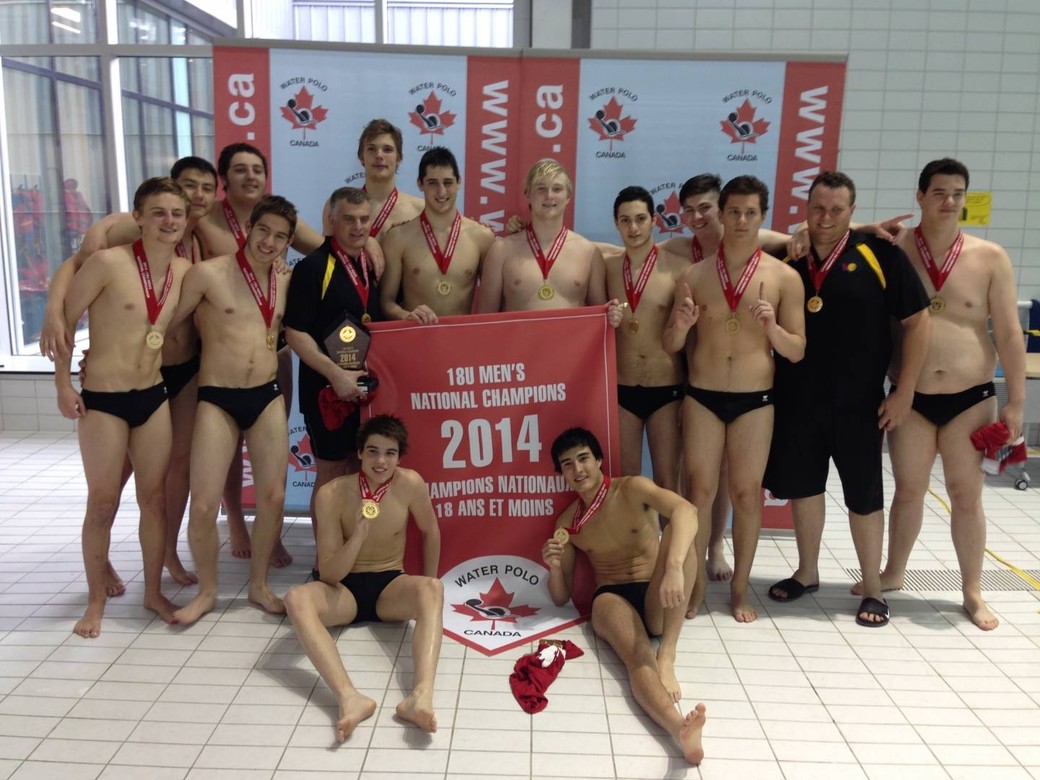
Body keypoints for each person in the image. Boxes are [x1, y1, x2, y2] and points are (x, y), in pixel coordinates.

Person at [41, 156, 219, 585]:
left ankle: (163, 564)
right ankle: (99, 568)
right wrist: (53, 318)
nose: (194, 197)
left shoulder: (198, 251)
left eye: (204, 188)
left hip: (170, 376)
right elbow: (74, 269)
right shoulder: (120, 242)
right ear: (142, 214)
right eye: (187, 186)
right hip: (113, 385)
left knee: (167, 479)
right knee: (109, 488)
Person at [764, 171, 931, 627]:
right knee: (805, 488)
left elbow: (918, 322)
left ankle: (873, 587)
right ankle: (807, 572)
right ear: (805, 208)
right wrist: (798, 233)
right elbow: (744, 236)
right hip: (797, 397)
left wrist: (904, 390)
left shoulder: (880, 254)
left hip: (859, 402)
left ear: (852, 212)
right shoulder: (790, 256)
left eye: (837, 211)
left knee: (864, 494)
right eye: (818, 209)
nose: (826, 218)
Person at [864, 158, 1024, 631]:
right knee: (908, 490)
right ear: (920, 197)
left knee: (966, 494)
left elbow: (1009, 333)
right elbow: (823, 231)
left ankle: (972, 589)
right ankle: (893, 572)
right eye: (939, 192)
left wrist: (1016, 401)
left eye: (958, 193)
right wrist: (865, 227)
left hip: (970, 396)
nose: (949, 201)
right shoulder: (892, 248)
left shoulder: (989, 257)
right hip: (910, 395)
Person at [54, 177, 193, 637]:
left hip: (152, 396)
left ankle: (152, 591)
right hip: (103, 400)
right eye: (158, 212)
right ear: (138, 217)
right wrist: (62, 385)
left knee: (154, 500)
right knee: (102, 501)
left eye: (176, 213)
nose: (168, 221)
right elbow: (64, 320)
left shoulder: (184, 270)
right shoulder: (108, 263)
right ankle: (95, 601)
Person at [662, 176, 805, 622]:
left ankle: (740, 590)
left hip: (754, 400)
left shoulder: (783, 277)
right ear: (721, 215)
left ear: (762, 217)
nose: (741, 220)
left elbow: (797, 350)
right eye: (734, 212)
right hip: (702, 397)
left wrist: (772, 329)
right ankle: (696, 585)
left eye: (750, 213)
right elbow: (671, 344)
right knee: (699, 493)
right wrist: (681, 326)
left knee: (746, 495)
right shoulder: (694, 275)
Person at [168, 195, 297, 625]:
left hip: (266, 395)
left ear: (288, 243)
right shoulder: (208, 274)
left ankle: (259, 585)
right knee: (205, 504)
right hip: (217, 397)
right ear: (248, 228)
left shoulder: (285, 280)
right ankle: (207, 591)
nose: (269, 242)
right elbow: (166, 327)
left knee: (273, 496)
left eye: (279, 237)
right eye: (263, 231)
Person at [542, 428, 705, 765]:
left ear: (599, 460)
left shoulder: (633, 488)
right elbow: (560, 597)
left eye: (584, 458)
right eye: (568, 464)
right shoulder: (567, 523)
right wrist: (554, 567)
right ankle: (679, 729)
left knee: (679, 535)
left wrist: (674, 566)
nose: (578, 470)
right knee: (638, 657)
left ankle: (668, 653)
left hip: (658, 591)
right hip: (611, 596)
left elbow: (687, 511)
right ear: (562, 473)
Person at [283, 415, 443, 741]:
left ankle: (420, 697)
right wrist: (356, 536)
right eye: (373, 451)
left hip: (391, 586)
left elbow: (431, 531)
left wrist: (426, 601)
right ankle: (349, 698)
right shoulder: (331, 494)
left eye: (390, 453)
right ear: (359, 453)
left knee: (433, 588)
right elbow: (329, 572)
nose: (380, 461)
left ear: (399, 457)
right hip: (344, 590)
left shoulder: (411, 484)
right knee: (295, 598)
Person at [284, 187, 382, 551]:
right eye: (348, 219)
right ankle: (325, 557)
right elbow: (295, 333)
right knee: (330, 471)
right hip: (326, 390)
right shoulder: (313, 268)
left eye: (364, 219)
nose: (357, 227)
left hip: (365, 389)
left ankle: (353, 551)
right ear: (332, 220)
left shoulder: (371, 265)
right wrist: (335, 375)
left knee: (359, 470)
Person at [601, 186, 688, 491]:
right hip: (622, 388)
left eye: (640, 219)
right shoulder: (607, 267)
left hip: (667, 388)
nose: (633, 228)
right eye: (625, 220)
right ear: (616, 223)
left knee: (667, 481)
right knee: (627, 483)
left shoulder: (678, 269)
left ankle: (671, 529)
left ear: (653, 219)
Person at [477, 159, 610, 313]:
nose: (549, 195)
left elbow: (600, 318)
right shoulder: (501, 251)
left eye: (557, 189)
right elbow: (485, 320)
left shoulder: (589, 253)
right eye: (541, 189)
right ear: (528, 193)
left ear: (568, 196)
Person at [379, 146, 495, 322]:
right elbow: (385, 302)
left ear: (459, 182)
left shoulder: (482, 237)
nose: (441, 191)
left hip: (461, 336)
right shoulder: (398, 238)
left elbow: (495, 302)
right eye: (433, 183)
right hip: (416, 336)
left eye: (448, 183)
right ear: (420, 184)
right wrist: (406, 315)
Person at [321, 119, 423, 239]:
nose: (379, 155)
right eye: (372, 149)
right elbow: (327, 251)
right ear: (361, 157)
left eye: (387, 149)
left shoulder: (420, 210)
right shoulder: (336, 206)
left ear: (399, 158)